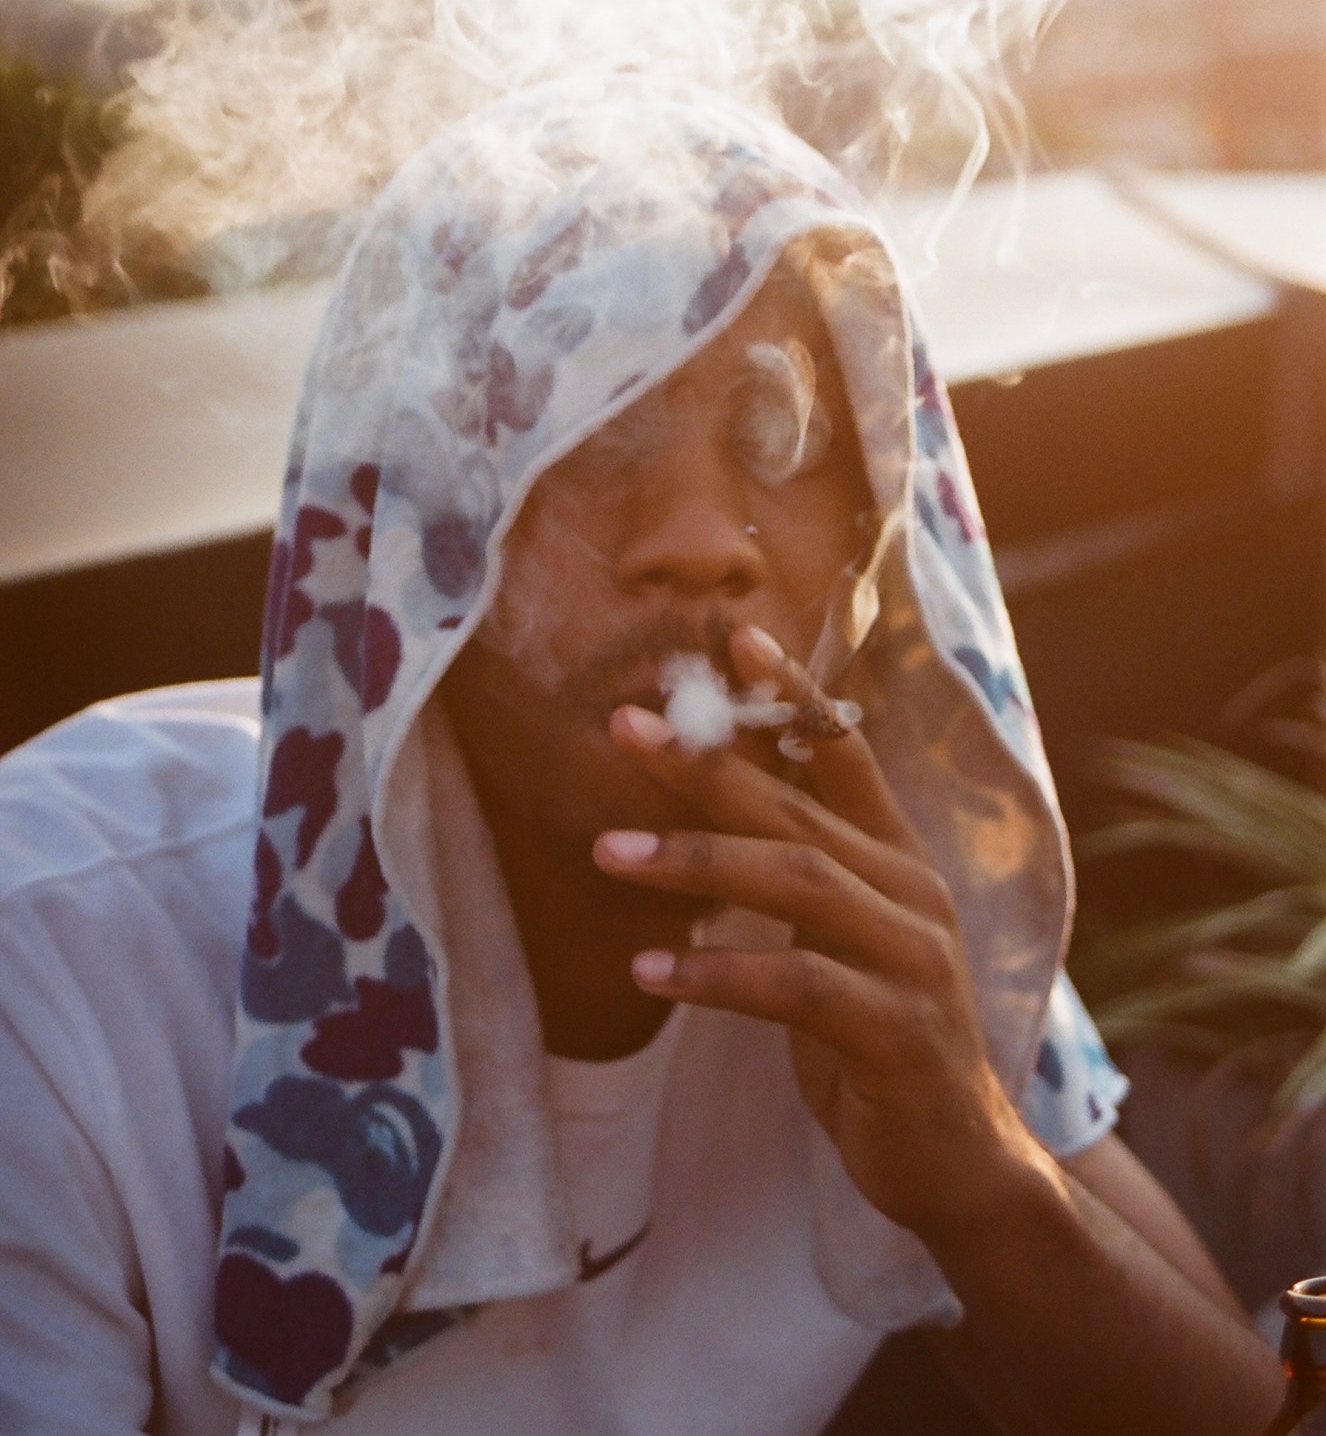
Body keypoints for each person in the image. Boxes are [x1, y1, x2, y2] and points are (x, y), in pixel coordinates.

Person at [0, 73, 1282, 1436]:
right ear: (400, 533)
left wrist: (985, 1175)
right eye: (589, 432)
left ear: (870, 538)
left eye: (778, 438)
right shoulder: (61, 965)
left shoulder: (882, 906)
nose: (702, 541)